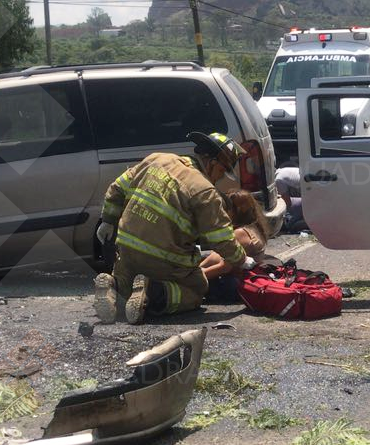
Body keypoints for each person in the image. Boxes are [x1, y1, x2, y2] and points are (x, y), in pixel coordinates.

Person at [92, 132, 251, 325]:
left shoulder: (156, 159)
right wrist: (242, 260)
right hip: (163, 260)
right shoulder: (204, 190)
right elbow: (221, 237)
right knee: (197, 288)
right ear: (212, 162)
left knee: (127, 279)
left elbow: (117, 188)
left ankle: (113, 285)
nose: (219, 178)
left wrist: (108, 220)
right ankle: (152, 294)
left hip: (127, 251)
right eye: (222, 171)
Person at [274, 166, 306, 232]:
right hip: (311, 183)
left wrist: (283, 216)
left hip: (309, 190)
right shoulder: (283, 170)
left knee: (290, 225)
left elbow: (287, 203)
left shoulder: (278, 180)